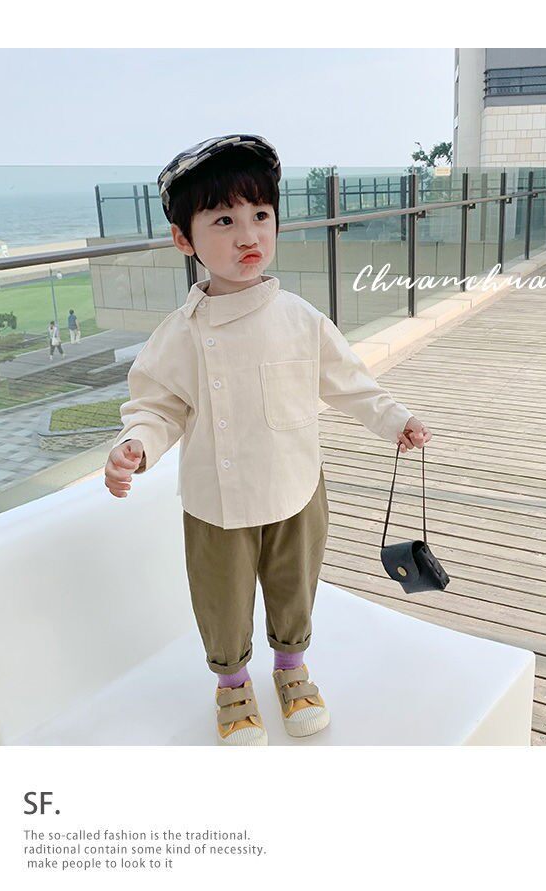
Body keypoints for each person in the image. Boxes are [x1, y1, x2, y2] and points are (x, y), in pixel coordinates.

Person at [103, 135, 432, 746]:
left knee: (294, 586)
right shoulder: (180, 334)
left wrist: (394, 419)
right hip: (217, 500)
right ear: (184, 238)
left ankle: (291, 669)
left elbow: (348, 381)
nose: (247, 235)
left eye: (260, 214)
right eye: (223, 220)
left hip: (295, 486)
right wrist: (137, 445)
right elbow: (157, 404)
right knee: (221, 600)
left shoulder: (300, 318)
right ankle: (232, 685)